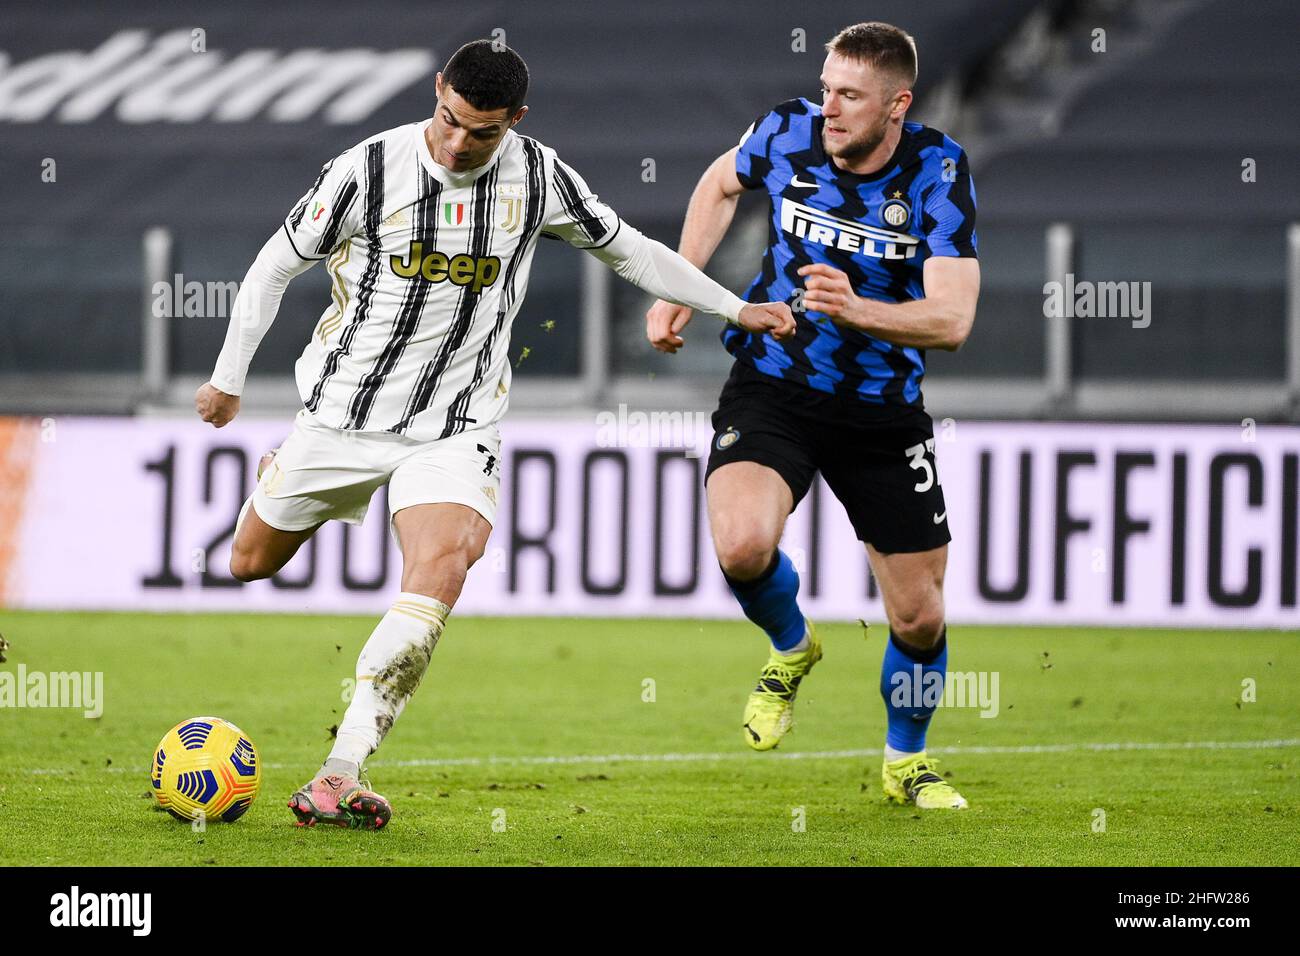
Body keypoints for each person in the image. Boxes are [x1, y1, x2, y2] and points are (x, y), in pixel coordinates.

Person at [196, 38, 794, 829]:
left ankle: (340, 771)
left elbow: (633, 252)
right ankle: (282, 472)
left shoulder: (539, 177)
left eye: (481, 132)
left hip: (455, 423)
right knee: (248, 563)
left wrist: (733, 306)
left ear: (513, 121)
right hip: (342, 414)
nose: (457, 143)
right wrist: (228, 378)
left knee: (445, 566)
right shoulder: (366, 170)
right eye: (449, 120)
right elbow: (275, 266)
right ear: (437, 92)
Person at [645, 21, 979, 809]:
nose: (829, 107)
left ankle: (906, 763)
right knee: (741, 545)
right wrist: (683, 285)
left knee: (921, 618)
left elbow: (954, 321)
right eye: (827, 86)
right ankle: (792, 648)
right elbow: (719, 182)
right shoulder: (787, 129)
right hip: (774, 385)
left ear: (897, 104)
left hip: (881, 410)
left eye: (850, 95)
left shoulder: (936, 169)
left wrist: (859, 311)